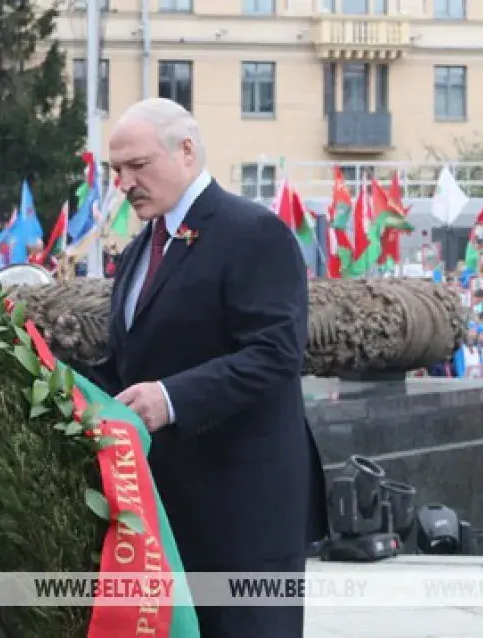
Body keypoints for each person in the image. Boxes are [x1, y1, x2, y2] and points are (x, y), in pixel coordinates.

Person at [92, 98, 327, 638]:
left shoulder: (253, 233)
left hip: (246, 512)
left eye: (138, 166)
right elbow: (129, 368)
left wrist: (170, 399)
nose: (124, 183)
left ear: (187, 152)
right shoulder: (137, 252)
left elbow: (275, 354)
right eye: (116, 170)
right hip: (171, 509)